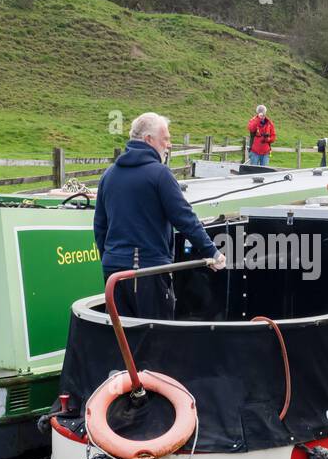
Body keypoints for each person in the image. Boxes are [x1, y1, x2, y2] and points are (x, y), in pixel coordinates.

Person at [93, 112, 227, 319]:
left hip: (113, 273)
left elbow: (100, 227)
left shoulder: (109, 175)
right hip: (147, 271)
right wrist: (213, 253)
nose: (169, 144)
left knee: (124, 342)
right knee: (156, 340)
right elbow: (184, 218)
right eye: (165, 139)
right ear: (149, 140)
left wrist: (110, 259)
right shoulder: (160, 175)